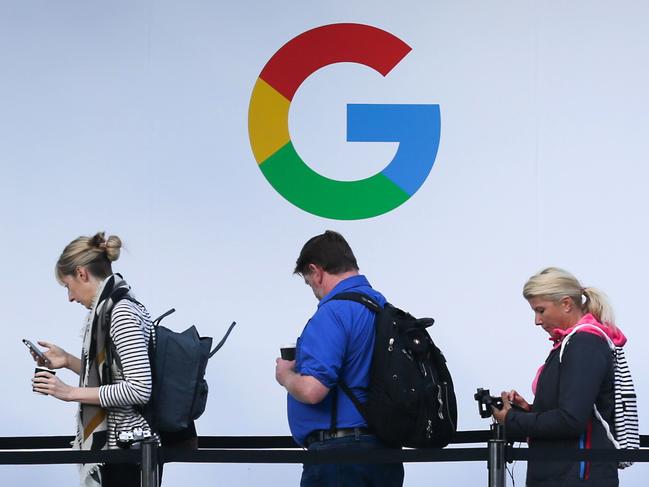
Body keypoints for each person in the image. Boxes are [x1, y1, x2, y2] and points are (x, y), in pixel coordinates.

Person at [275, 230, 404, 487]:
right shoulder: (381, 308)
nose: (313, 289)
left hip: (340, 459)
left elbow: (313, 390)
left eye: (309, 281)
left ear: (317, 271)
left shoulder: (333, 313)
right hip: (384, 454)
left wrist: (285, 375)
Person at [31, 232, 156, 487]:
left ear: (82, 274)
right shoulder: (111, 309)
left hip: (127, 449)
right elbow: (115, 375)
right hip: (120, 448)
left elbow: (140, 389)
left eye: (68, 286)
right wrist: (67, 361)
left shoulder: (120, 313)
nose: (70, 297)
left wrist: (70, 393)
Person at [493, 267, 624, 487]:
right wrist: (529, 410)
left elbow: (571, 420)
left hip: (575, 477)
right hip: (570, 474)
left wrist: (512, 419)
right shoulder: (575, 343)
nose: (536, 320)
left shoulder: (583, 344)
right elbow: (574, 411)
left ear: (566, 304)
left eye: (541, 310)